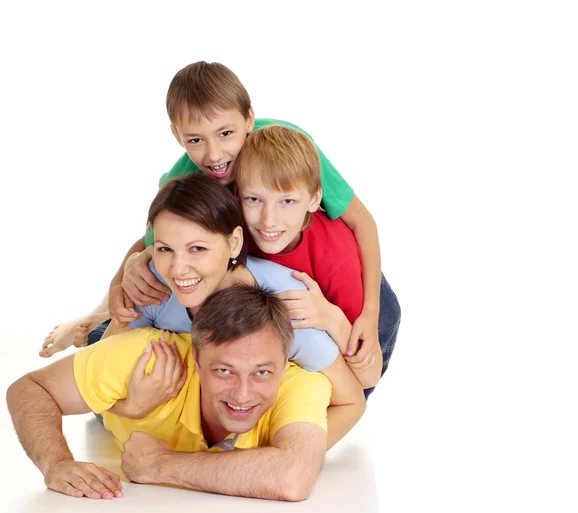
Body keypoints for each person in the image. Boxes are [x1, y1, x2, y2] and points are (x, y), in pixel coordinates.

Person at [41, 61, 385, 368]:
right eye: (195, 140)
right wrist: (122, 280)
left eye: (226, 133)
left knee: (359, 338)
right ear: (177, 136)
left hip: (327, 275)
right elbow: (154, 246)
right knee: (147, 288)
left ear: (248, 119)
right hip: (251, 282)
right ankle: (94, 318)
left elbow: (361, 222)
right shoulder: (181, 180)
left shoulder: (288, 151)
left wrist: (369, 316)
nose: (215, 154)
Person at [95, 173, 364, 447]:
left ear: (234, 242)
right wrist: (132, 407)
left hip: (351, 320)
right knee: (97, 338)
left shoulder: (287, 307)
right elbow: (97, 378)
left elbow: (352, 401)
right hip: (189, 397)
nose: (177, 269)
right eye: (165, 249)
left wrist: (286, 453)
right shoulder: (154, 285)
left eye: (197, 248)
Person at [7, 285, 332, 501]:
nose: (243, 394)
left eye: (262, 372)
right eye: (224, 371)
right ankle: (83, 323)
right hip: (115, 391)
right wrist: (56, 463)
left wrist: (159, 464)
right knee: (98, 333)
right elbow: (30, 388)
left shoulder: (301, 384)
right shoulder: (145, 357)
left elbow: (293, 477)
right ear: (196, 359)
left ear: (284, 363)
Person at [234, 125, 401, 397]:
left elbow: (369, 376)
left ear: (314, 199)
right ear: (236, 195)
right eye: (254, 199)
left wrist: (330, 317)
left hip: (359, 308)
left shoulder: (336, 259)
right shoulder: (232, 231)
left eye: (287, 201)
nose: (269, 220)